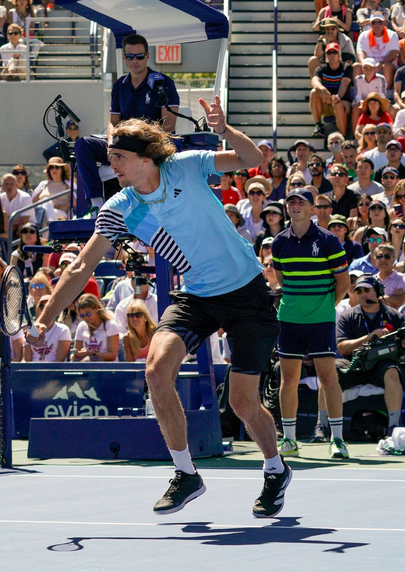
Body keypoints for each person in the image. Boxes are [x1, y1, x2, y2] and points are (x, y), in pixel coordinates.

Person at [28, 98, 290, 518]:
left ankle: (275, 468)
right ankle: (186, 473)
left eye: (119, 157)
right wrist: (44, 317)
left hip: (246, 292)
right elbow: (80, 266)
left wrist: (225, 128)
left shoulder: (185, 166)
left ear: (147, 158)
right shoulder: (122, 208)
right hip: (198, 295)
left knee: (242, 402)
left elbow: (252, 157)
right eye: (109, 156)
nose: (112, 164)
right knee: (155, 370)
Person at [271, 187, 350, 459]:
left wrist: (324, 305)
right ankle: (290, 439)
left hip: (321, 321)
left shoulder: (329, 240)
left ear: (312, 209)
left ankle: (337, 439)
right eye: (291, 201)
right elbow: (283, 281)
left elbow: (344, 283)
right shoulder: (279, 242)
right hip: (289, 320)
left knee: (329, 378)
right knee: (288, 379)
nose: (295, 206)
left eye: (301, 202)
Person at [75, 34, 179, 207]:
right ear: (124, 58)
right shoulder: (120, 85)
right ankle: (96, 204)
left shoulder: (164, 83)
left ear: (147, 56)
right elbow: (113, 122)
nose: (135, 61)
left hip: (149, 147)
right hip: (123, 146)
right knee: (82, 145)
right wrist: (111, 144)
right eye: (130, 57)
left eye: (139, 56)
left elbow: (168, 127)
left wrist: (137, 143)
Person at [335, 274, 405, 434]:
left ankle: (393, 427)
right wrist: (369, 337)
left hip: (382, 364)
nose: (363, 294)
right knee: (329, 372)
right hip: (355, 364)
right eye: (358, 291)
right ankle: (322, 426)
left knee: (392, 371)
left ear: (378, 291)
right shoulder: (348, 317)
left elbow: (404, 344)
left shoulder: (394, 316)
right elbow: (342, 348)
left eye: (367, 290)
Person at [310, 42, 354, 138]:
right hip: (327, 101)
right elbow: (314, 80)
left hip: (343, 102)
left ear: (339, 54)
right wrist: (322, 89)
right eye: (329, 53)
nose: (332, 55)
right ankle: (318, 125)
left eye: (334, 53)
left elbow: (345, 83)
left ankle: (343, 136)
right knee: (314, 93)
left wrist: (338, 96)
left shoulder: (346, 67)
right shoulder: (321, 68)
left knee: (338, 105)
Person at [356, 12, 399, 88]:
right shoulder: (363, 35)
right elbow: (360, 52)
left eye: (379, 22)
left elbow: (394, 53)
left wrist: (381, 63)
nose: (377, 25)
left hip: (385, 64)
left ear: (384, 23)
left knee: (387, 66)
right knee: (356, 66)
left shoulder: (392, 34)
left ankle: (385, 92)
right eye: (374, 22)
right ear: (370, 24)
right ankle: (359, 92)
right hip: (368, 64)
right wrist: (365, 64)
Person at [73, 294, 120, 362]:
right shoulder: (81, 326)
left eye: (88, 314)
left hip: (106, 368)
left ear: (96, 308)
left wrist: (91, 354)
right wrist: (75, 354)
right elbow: (75, 352)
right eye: (82, 315)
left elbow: (112, 355)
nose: (86, 318)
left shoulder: (110, 325)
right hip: (86, 366)